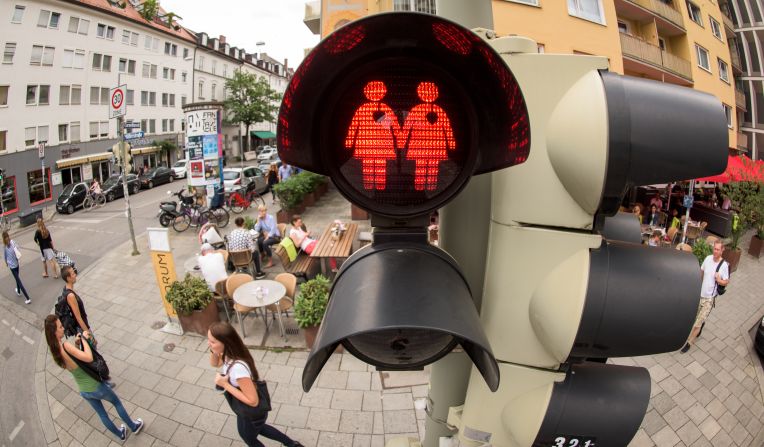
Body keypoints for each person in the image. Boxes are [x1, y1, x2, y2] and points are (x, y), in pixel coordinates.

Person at [44, 315, 143, 441]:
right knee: (116, 402)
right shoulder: (65, 346)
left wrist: (77, 343)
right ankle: (134, 427)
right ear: (54, 332)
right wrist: (84, 339)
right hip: (95, 386)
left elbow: (74, 359)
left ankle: (120, 434)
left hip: (84, 390)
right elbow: (88, 358)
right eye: (60, 327)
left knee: (102, 414)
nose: (63, 328)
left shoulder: (55, 351)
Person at [208, 322, 303, 447]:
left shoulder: (238, 368)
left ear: (226, 343)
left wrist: (225, 385)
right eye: (208, 340)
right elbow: (215, 364)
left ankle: (292, 444)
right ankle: (292, 444)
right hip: (250, 413)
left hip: (250, 412)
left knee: (248, 438)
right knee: (260, 428)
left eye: (213, 342)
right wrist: (214, 351)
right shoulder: (230, 353)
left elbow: (253, 401)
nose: (208, 343)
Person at [681, 241, 730, 353]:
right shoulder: (708, 259)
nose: (715, 251)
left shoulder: (724, 266)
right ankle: (702, 323)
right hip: (700, 294)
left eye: (718, 249)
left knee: (697, 323)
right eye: (714, 248)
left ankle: (689, 342)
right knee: (695, 317)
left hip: (709, 299)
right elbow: (702, 272)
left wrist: (719, 280)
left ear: (722, 250)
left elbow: (726, 282)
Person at [61, 265, 92, 338]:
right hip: (81, 329)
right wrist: (89, 334)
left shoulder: (66, 288)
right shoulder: (70, 295)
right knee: (91, 347)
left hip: (80, 327)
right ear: (68, 278)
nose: (75, 275)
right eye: (73, 274)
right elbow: (78, 318)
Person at [2, 231, 31, 304]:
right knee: (17, 278)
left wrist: (6, 263)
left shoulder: (5, 247)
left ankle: (28, 298)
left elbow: (5, 257)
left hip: (12, 266)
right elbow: (18, 248)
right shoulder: (12, 242)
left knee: (19, 281)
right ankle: (18, 291)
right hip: (16, 263)